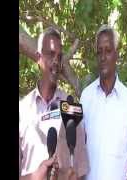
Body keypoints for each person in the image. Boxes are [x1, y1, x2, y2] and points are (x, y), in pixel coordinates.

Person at [19, 27, 89, 180]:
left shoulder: (70, 107)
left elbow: (81, 172)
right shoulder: (22, 110)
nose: (56, 61)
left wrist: (72, 176)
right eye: (51, 54)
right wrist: (35, 177)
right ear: (38, 58)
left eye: (59, 56)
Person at [80, 24, 127, 180]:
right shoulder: (86, 97)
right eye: (99, 52)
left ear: (117, 55)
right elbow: (78, 152)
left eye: (108, 51)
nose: (103, 57)